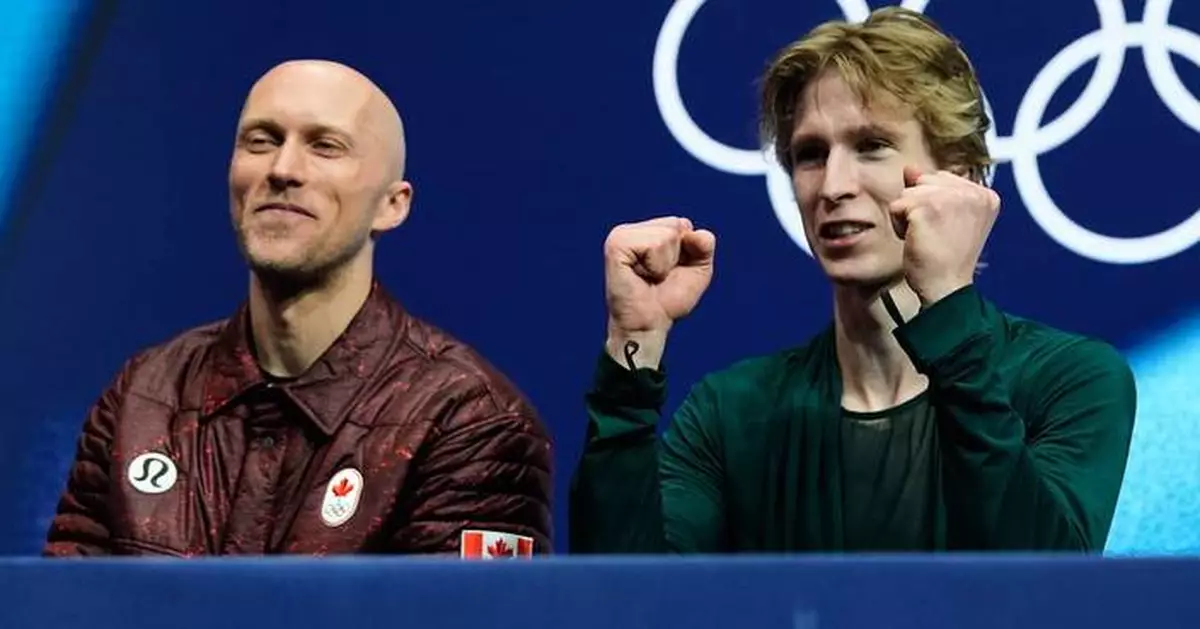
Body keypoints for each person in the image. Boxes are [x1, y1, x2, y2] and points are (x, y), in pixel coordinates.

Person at [570, 7, 1136, 552]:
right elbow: (625, 604)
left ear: (957, 175)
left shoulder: (1069, 380)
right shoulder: (734, 412)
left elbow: (1036, 590)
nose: (834, 184)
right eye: (811, 155)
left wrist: (948, 307)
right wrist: (632, 347)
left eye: (871, 147)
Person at [44, 59, 552, 557]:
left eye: (326, 146)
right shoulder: (143, 396)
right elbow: (62, 610)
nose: (283, 169)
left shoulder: (467, 420)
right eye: (260, 141)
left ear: (392, 204)